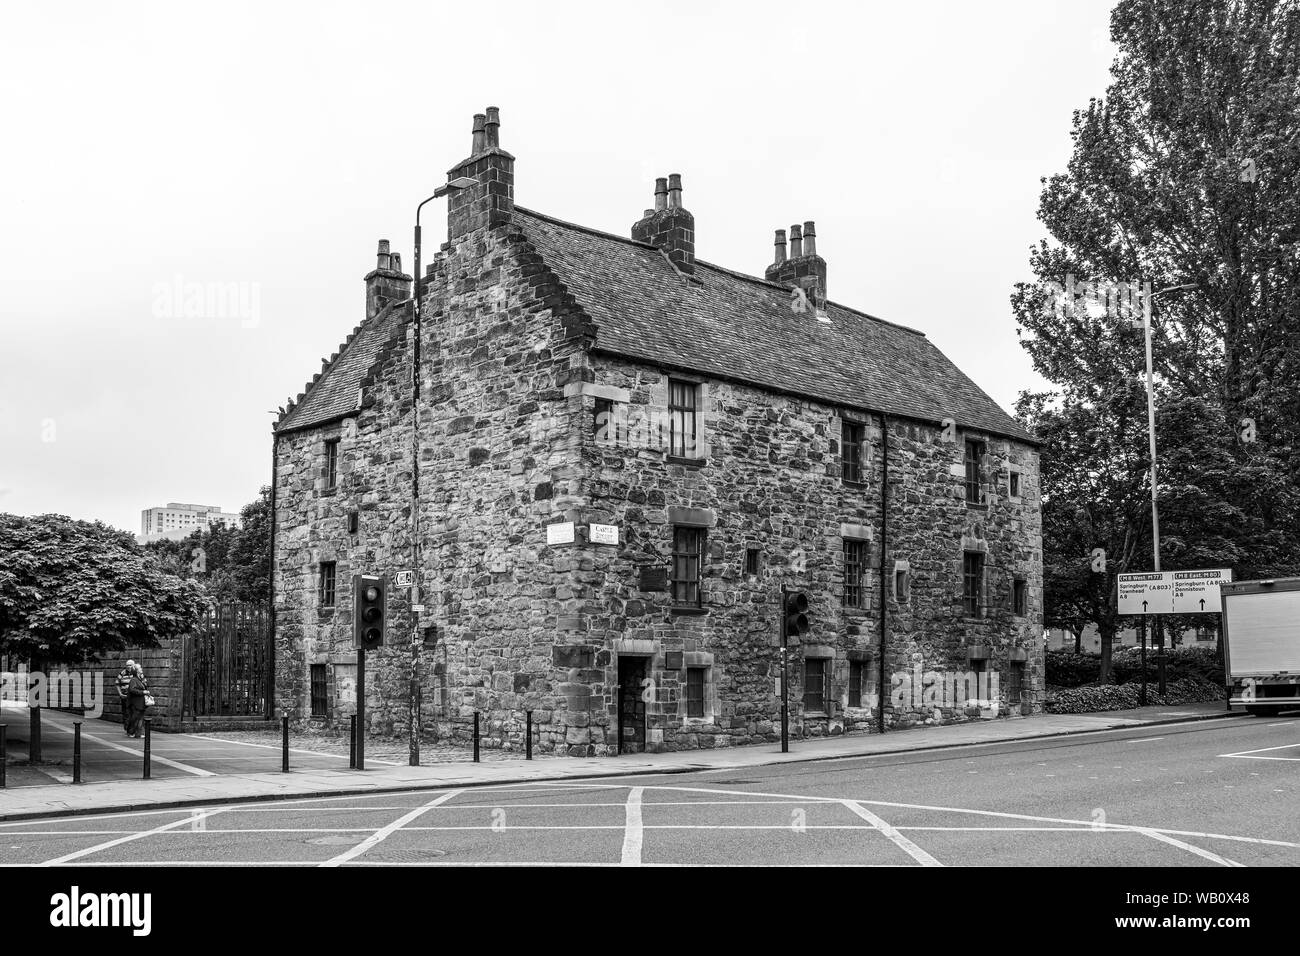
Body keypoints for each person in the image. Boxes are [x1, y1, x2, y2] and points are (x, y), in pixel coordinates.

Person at [126, 664, 149, 738]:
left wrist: (145, 684)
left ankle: (139, 733)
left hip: (141, 702)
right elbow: (132, 690)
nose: (141, 669)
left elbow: (144, 687)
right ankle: (131, 731)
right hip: (135, 702)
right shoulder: (133, 680)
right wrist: (143, 692)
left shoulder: (140, 679)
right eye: (139, 668)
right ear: (136, 671)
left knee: (140, 718)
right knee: (135, 717)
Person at [116, 660, 136, 734]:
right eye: (127, 665)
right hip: (124, 696)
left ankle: (131, 728)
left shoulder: (136, 673)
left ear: (133, 665)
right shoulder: (122, 673)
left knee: (133, 712)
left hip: (134, 697)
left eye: (130, 665)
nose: (128, 666)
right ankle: (127, 727)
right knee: (126, 712)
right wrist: (120, 694)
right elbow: (117, 684)